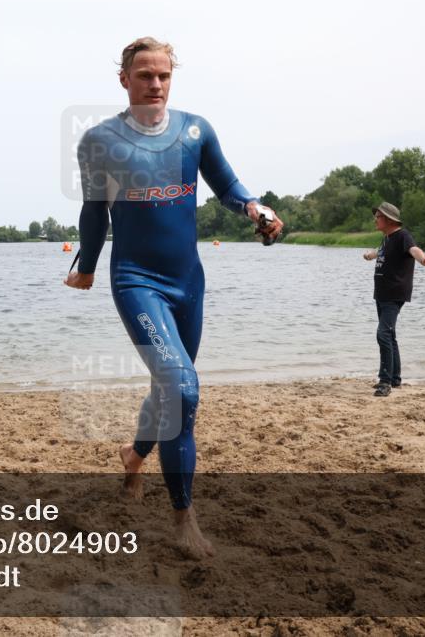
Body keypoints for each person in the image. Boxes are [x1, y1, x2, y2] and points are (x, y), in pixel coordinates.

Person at [64, 37, 283, 559]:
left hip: (188, 282)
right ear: (125, 79)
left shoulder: (195, 130)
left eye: (163, 75)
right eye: (144, 75)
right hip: (136, 280)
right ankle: (184, 519)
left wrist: (255, 209)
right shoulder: (99, 140)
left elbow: (227, 186)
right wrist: (87, 266)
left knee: (170, 391)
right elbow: (95, 210)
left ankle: (134, 454)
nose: (155, 84)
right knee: (182, 389)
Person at [363, 202, 425, 396]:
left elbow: (414, 250)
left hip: (394, 294)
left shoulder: (403, 236)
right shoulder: (387, 239)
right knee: (389, 334)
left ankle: (385, 381)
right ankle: (395, 378)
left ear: (388, 219)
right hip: (382, 294)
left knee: (383, 334)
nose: (375, 220)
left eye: (378, 217)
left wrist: (423, 260)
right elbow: (381, 252)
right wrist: (370, 255)